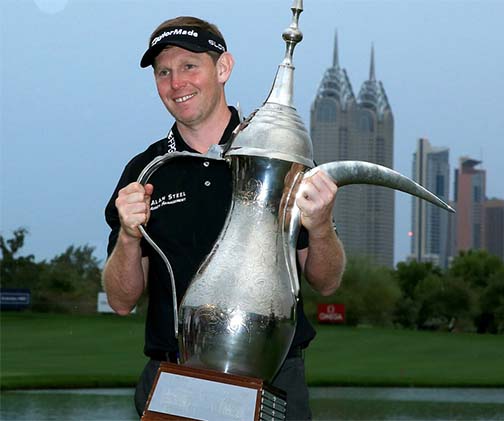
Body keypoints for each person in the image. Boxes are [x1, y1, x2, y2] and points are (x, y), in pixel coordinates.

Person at [102, 16, 345, 420]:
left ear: (223, 68)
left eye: (189, 66)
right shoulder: (145, 170)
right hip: (172, 378)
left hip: (273, 376)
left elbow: (327, 280)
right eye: (164, 72)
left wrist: (319, 226)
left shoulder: (277, 156)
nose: (176, 82)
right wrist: (129, 235)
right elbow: (121, 300)